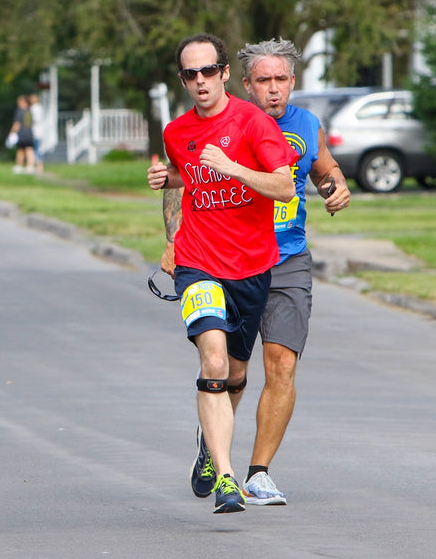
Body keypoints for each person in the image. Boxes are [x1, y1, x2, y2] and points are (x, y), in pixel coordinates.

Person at [146, 32, 296, 514]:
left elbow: (284, 187)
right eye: (190, 74)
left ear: (225, 73)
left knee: (235, 374)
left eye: (208, 71)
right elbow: (184, 175)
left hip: (251, 267)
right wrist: (168, 208)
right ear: (182, 80)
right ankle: (228, 479)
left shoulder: (252, 122)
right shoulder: (176, 130)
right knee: (212, 362)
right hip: (198, 264)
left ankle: (209, 449)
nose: (200, 81)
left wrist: (232, 168)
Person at [233, 38, 350, 503]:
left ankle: (258, 472)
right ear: (246, 85)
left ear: (293, 82)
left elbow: (325, 170)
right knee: (231, 372)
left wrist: (336, 187)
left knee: (282, 365)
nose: (274, 89)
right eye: (264, 81)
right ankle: (213, 441)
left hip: (289, 259)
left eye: (282, 79)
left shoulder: (306, 123)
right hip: (237, 258)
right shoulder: (232, 125)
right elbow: (190, 181)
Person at [7, 94, 35, 173]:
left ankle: (19, 166)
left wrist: (11, 133)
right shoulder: (30, 111)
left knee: (21, 150)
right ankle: (30, 166)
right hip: (30, 132)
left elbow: (17, 124)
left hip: (22, 133)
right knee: (29, 149)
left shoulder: (20, 111)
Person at [28, 92, 46, 174]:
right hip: (39, 131)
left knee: (36, 149)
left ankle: (39, 166)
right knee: (37, 148)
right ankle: (39, 165)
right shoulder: (39, 107)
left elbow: (35, 119)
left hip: (35, 131)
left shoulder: (34, 108)